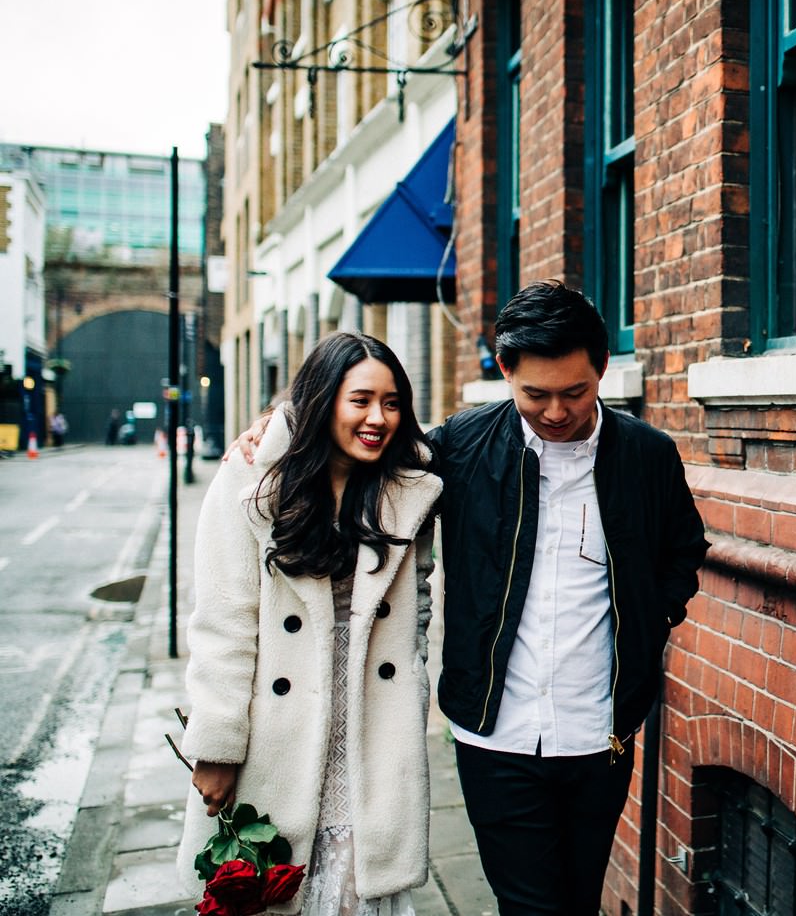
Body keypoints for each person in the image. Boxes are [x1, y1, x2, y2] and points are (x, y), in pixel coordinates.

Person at [233, 282, 709, 915]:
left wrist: (654, 622)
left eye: (576, 392)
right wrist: (281, 424)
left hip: (601, 733)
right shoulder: (459, 445)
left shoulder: (648, 456)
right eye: (535, 394)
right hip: (494, 733)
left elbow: (684, 549)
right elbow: (369, 446)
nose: (557, 411)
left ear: (601, 370)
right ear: (505, 370)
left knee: (580, 900)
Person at [181, 332, 442, 915]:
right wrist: (217, 746)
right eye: (361, 400)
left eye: (393, 402)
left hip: (371, 726)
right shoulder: (251, 482)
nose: (379, 418)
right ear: (324, 401)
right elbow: (224, 623)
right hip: (281, 728)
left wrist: (415, 680)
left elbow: (417, 605)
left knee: (358, 889)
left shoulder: (410, 491)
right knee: (281, 891)